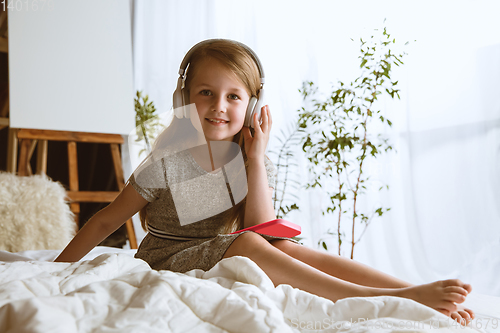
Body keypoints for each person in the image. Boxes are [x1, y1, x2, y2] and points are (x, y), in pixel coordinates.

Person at [55, 39, 474, 326]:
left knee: (284, 245)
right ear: (185, 99)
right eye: (206, 93)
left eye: (233, 97)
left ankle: (408, 288)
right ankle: (377, 300)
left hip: (225, 246)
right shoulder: (166, 163)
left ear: (252, 105)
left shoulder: (251, 160)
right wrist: (53, 270)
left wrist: (255, 159)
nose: (219, 107)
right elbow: (104, 223)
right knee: (252, 244)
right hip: (168, 255)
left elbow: (261, 224)